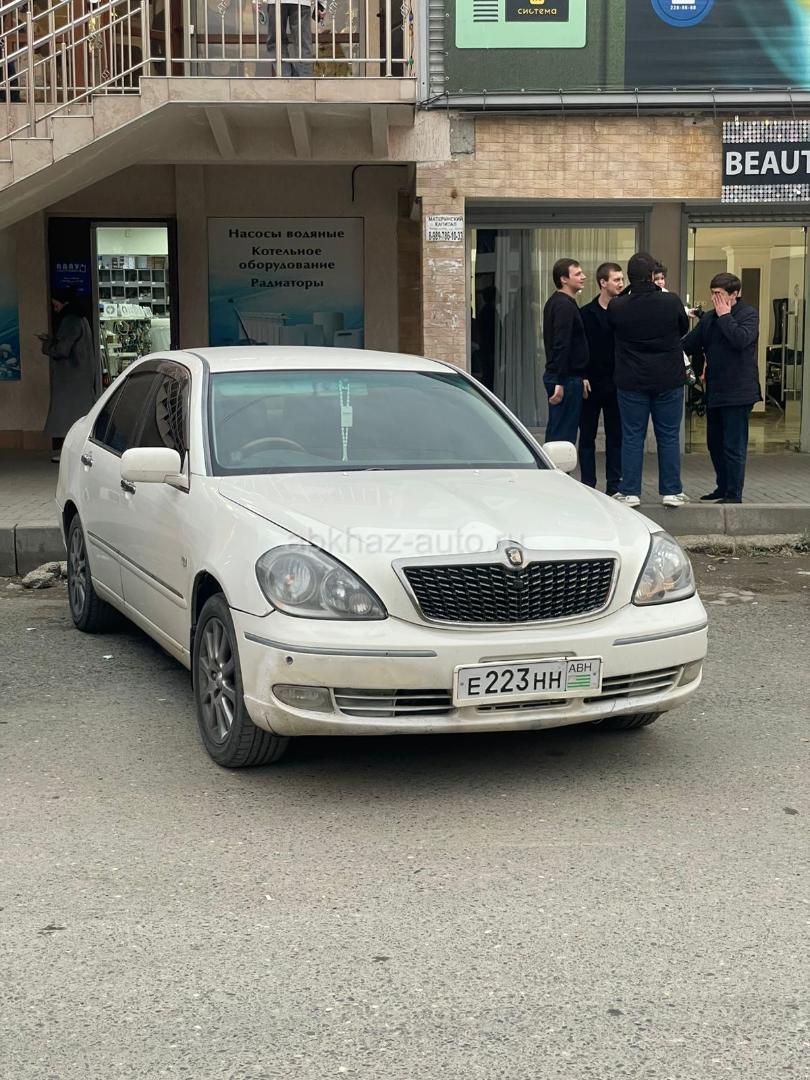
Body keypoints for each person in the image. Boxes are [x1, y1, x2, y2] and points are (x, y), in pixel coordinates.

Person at [607, 252, 690, 507]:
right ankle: (672, 491)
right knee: (669, 435)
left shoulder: (618, 306)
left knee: (632, 436)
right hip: (668, 378)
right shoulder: (671, 301)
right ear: (653, 275)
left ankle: (630, 491)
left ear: (630, 277)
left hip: (631, 379)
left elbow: (612, 328)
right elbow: (683, 328)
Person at [682, 272, 760, 504]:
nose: (714, 298)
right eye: (712, 293)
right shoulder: (709, 318)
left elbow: (740, 340)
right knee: (714, 443)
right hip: (715, 390)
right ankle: (722, 486)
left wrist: (725, 316)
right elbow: (690, 344)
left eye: (719, 294)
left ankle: (734, 494)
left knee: (733, 445)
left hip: (739, 391)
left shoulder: (748, 314)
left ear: (734, 294)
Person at [579, 262, 624, 495]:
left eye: (622, 279)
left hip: (618, 383)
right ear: (603, 283)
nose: (621, 283)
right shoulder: (585, 313)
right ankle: (588, 485)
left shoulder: (625, 312)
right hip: (591, 383)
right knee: (587, 436)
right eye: (616, 279)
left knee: (616, 436)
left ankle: (614, 485)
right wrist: (582, 375)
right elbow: (579, 347)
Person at [40, 289, 98, 463]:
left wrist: (47, 345)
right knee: (80, 416)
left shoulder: (70, 321)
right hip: (82, 377)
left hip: (70, 379)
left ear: (64, 302)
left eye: (56, 304)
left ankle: (68, 453)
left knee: (68, 417)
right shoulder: (82, 319)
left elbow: (62, 349)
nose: (55, 308)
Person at [542, 258, 590, 443]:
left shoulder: (559, 302)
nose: (583, 277)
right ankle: (555, 463)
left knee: (559, 430)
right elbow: (561, 344)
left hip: (566, 377)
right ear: (564, 279)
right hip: (565, 378)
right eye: (577, 274)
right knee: (562, 435)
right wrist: (560, 381)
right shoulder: (563, 305)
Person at [266, 0, 316, 77]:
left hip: (276, 2)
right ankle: (305, 78)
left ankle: (286, 76)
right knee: (303, 44)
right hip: (302, 2)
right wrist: (322, 4)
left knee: (276, 42)